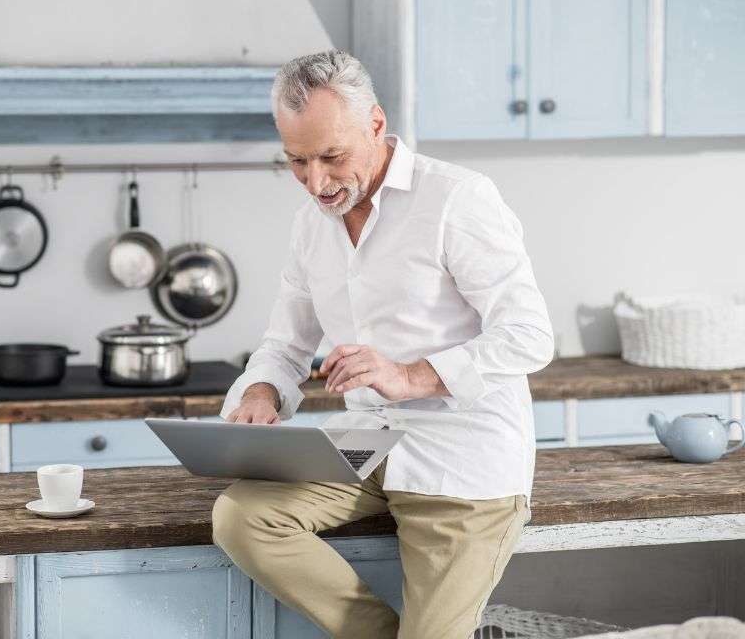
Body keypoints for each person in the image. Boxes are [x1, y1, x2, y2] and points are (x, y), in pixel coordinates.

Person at [211, 50, 554, 638]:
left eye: (331, 157)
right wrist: (263, 390)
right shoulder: (310, 226)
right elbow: (284, 344)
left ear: (375, 124)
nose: (315, 182)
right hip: (365, 443)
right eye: (296, 161)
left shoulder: (456, 198)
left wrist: (411, 375)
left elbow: (529, 335)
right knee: (243, 516)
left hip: (463, 462)